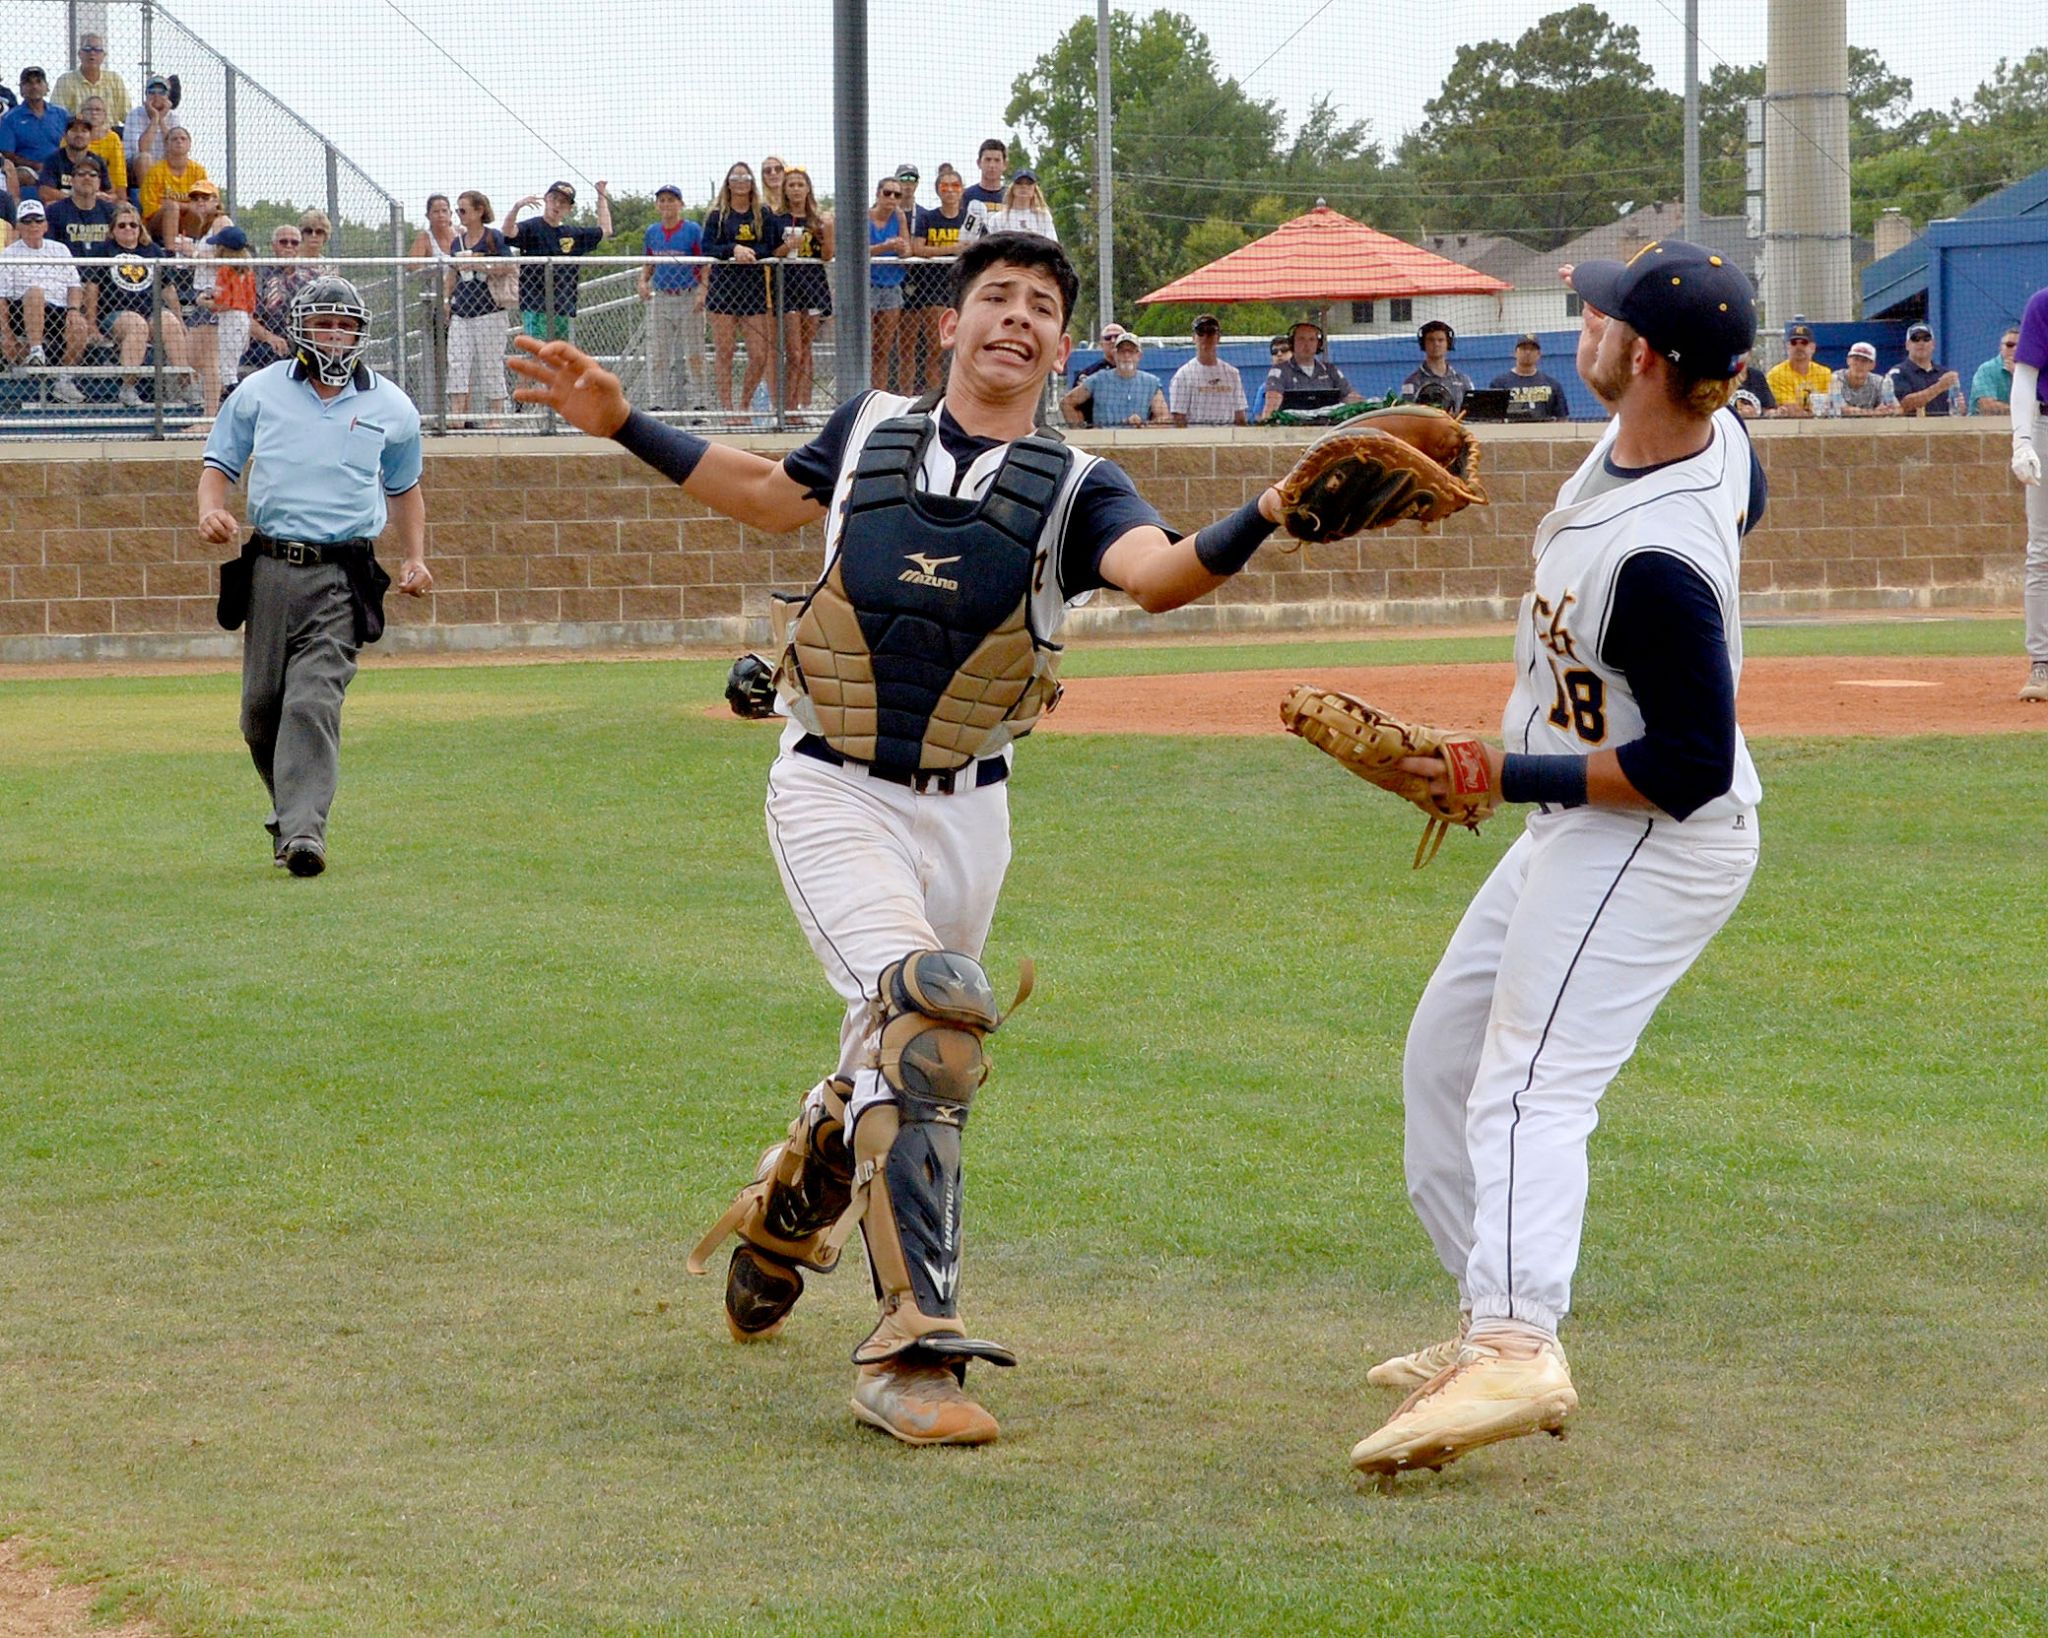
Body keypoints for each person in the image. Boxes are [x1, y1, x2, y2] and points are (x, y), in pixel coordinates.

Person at [507, 231, 1324, 1448]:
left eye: (1041, 306)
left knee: (892, 1059)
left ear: (1060, 343)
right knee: (931, 1025)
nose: (1016, 318)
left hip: (970, 811)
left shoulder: (1077, 482)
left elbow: (1155, 575)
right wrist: (625, 421)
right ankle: (909, 1349)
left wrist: (1269, 508)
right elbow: (758, 495)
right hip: (831, 785)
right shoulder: (870, 427)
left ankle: (796, 1194)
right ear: (948, 324)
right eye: (993, 296)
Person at [1349, 239, 1766, 1486]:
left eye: (1595, 314)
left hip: (1656, 837)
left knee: (1530, 1078)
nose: (1576, 321)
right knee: (1444, 1055)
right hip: (1577, 821)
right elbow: (1746, 486)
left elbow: (1690, 764)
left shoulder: (1656, 565)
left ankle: (1517, 1341)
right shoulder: (1708, 437)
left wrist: (1494, 772)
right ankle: (1491, 1319)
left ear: (1641, 358)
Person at [198, 276, 432, 878]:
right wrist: (211, 510)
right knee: (259, 713)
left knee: (311, 701)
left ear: (360, 332)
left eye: (345, 323)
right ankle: (289, 813)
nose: (334, 333)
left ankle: (305, 833)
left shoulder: (392, 406)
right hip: (271, 570)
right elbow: (218, 465)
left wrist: (413, 557)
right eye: (324, 322)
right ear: (301, 327)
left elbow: (405, 490)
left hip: (342, 575)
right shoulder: (257, 391)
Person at [92, 203, 194, 408]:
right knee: (136, 325)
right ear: (112, 230)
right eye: (122, 226)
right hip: (116, 313)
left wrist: (180, 318)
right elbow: (92, 287)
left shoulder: (152, 250)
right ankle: (128, 387)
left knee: (171, 324)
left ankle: (187, 386)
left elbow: (168, 288)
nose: (128, 229)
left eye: (133, 225)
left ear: (140, 228)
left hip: (150, 310)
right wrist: (91, 322)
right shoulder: (103, 250)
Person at [701, 162, 776, 417]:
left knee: (759, 354)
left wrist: (753, 252)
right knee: (725, 351)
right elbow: (708, 247)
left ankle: (744, 404)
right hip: (723, 288)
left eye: (745, 177)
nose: (741, 181)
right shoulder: (717, 215)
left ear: (751, 182)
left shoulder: (762, 213)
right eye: (736, 177)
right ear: (728, 182)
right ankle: (727, 409)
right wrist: (733, 250)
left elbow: (773, 245)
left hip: (753, 288)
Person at [0, 198, 91, 403]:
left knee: (80, 325)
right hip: (21, 312)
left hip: (58, 310)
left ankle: (64, 380)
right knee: (35, 293)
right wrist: (6, 334)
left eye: (38, 220)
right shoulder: (9, 254)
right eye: (27, 221)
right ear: (18, 226)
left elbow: (74, 286)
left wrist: (74, 310)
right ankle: (36, 350)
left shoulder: (60, 250)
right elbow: (1, 298)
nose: (33, 225)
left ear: (46, 225)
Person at [505, 179, 611, 344]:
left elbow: (605, 230)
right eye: (554, 199)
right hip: (535, 303)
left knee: (558, 355)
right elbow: (508, 232)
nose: (557, 205)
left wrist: (601, 195)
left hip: (562, 303)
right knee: (537, 350)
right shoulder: (532, 227)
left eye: (563, 202)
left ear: (569, 209)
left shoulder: (572, 234)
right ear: (546, 199)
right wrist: (516, 208)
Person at [2008, 286, 2048, 702]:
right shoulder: (2043, 303)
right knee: (2042, 550)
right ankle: (2043, 663)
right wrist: (2021, 440)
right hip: (2046, 426)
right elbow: (2025, 375)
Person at [446, 189, 513, 425]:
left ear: (479, 211)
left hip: (489, 311)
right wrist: (447, 301)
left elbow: (507, 266)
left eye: (463, 210)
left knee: (490, 362)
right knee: (457, 362)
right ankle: (457, 415)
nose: (460, 215)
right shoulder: (457, 242)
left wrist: (479, 263)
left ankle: (496, 415)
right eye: (458, 210)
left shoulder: (494, 237)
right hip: (462, 310)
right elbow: (452, 273)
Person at [636, 182, 704, 413]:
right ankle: (658, 403)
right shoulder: (652, 232)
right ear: (657, 205)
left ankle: (700, 404)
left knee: (694, 353)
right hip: (662, 296)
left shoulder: (692, 229)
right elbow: (649, 262)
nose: (666, 204)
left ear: (680, 204)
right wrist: (643, 281)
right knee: (658, 354)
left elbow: (704, 264)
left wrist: (703, 291)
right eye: (662, 200)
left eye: (671, 200)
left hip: (688, 295)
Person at [770, 165, 830, 412]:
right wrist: (787, 246)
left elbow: (827, 255)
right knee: (793, 352)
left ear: (808, 189)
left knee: (806, 350)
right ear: (785, 189)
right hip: (788, 287)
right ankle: (787, 406)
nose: (796, 189)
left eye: (800, 185)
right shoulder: (776, 218)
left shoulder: (818, 218)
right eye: (791, 185)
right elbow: (772, 252)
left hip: (813, 286)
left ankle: (802, 405)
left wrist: (825, 234)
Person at [901, 163, 957, 391]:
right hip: (927, 287)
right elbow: (917, 248)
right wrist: (954, 248)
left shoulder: (969, 217)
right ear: (938, 190)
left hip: (959, 287)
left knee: (954, 351)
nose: (950, 190)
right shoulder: (928, 218)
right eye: (945, 186)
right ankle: (922, 399)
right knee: (926, 347)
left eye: (955, 185)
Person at [408, 193, 459, 417]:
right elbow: (412, 266)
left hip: (463, 302)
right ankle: (437, 412)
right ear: (428, 215)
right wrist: (435, 266)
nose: (441, 215)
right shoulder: (425, 237)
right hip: (436, 306)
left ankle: (464, 412)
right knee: (439, 358)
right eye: (436, 211)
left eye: (444, 210)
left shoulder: (461, 235)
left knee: (461, 358)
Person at [195, 223, 257, 408]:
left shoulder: (225, 269)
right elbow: (248, 301)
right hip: (244, 318)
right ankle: (232, 402)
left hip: (231, 318)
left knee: (227, 370)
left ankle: (241, 404)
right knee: (230, 366)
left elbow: (222, 304)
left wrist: (203, 302)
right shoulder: (248, 270)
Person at [1259, 321, 1361, 421]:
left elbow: (1349, 396)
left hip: (1328, 429)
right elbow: (1272, 401)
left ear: (1318, 344)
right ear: (1292, 343)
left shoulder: (1331, 370)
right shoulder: (1279, 371)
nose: (1307, 344)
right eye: (1301, 339)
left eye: (1311, 339)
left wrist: (1363, 405)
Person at [1061, 332, 1167, 426]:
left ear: (1139, 355)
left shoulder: (1151, 383)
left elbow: (1164, 418)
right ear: (1115, 354)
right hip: (1104, 440)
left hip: (1137, 441)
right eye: (1122, 351)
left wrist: (1144, 426)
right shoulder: (1098, 379)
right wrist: (1082, 432)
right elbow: (1067, 402)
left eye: (1131, 351)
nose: (1126, 356)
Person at [866, 175, 911, 393]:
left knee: (883, 348)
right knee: (866, 345)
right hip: (868, 286)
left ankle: (879, 395)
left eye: (897, 194)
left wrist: (901, 248)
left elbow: (907, 250)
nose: (892, 198)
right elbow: (857, 250)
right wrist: (884, 247)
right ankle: (862, 393)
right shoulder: (865, 217)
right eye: (887, 193)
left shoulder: (899, 217)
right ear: (877, 194)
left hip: (892, 285)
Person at [1168, 313, 1248, 427]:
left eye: (1211, 332)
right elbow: (1179, 419)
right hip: (1199, 439)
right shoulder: (1183, 375)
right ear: (1193, 337)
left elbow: (1240, 416)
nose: (1206, 337)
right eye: (1201, 332)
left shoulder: (1232, 374)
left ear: (1218, 337)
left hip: (1228, 438)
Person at [1, 69, 71, 195]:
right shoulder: (11, 118)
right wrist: (36, 165)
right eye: (28, 83)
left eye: (39, 82)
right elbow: (7, 154)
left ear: (47, 87)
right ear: (21, 89)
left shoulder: (61, 114)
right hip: (30, 172)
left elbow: (76, 140)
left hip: (62, 169)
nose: (34, 86)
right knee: (20, 175)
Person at [139, 125, 211, 245]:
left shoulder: (198, 171)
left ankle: (194, 246)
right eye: (174, 139)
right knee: (171, 208)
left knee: (195, 212)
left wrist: (179, 205)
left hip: (189, 220)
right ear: (166, 145)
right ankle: (171, 252)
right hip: (158, 224)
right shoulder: (156, 171)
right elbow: (148, 209)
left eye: (183, 139)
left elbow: (202, 204)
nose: (179, 141)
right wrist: (179, 206)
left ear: (189, 145)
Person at [53, 33, 130, 129]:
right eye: (87, 49)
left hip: (110, 137)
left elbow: (127, 115)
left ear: (104, 55)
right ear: (80, 54)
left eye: (97, 50)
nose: (92, 53)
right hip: (78, 135)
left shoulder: (114, 79)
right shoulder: (65, 81)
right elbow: (56, 116)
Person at [121, 77, 182, 195]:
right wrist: (155, 119)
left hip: (165, 164)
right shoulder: (135, 114)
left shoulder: (173, 117)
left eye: (161, 92)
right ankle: (148, 201)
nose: (156, 96)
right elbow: (142, 149)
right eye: (152, 92)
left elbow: (175, 149)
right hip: (136, 166)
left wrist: (161, 120)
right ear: (146, 95)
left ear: (168, 96)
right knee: (145, 158)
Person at [1489, 334, 1571, 420]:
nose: (1528, 352)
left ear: (1539, 354)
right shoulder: (1499, 384)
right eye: (1523, 348)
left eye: (1532, 349)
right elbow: (1493, 419)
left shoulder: (1552, 385)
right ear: (1515, 353)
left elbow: (1562, 418)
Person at [1400, 319, 1473, 414]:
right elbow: (1408, 415)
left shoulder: (1463, 380)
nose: (1436, 344)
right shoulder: (1412, 382)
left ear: (1448, 343)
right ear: (1424, 344)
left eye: (1441, 340)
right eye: (1431, 340)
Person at [1887, 322, 1959, 417]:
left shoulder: (1944, 373)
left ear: (1933, 344)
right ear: (1907, 345)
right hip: (1911, 429)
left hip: (1943, 428)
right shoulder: (1898, 372)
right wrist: (1940, 387)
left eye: (1926, 339)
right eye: (1915, 339)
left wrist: (1960, 406)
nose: (1921, 343)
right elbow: (1904, 405)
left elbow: (1955, 408)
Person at [37, 116, 111, 203]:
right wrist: (77, 199)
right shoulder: (53, 160)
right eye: (74, 130)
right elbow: (45, 192)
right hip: (63, 210)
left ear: (90, 136)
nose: (79, 135)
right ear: (65, 135)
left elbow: (111, 193)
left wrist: (105, 197)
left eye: (84, 131)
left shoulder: (98, 161)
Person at [1763, 320, 1829, 416]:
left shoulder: (1824, 373)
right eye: (1794, 343)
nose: (1799, 347)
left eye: (1804, 342)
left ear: (1813, 347)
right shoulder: (1776, 374)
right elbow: (1790, 409)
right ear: (1788, 347)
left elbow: (1829, 406)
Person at [977, 171, 1056, 241]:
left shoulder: (1043, 217)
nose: (1024, 187)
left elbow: (1053, 245)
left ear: (1034, 189)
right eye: (1019, 183)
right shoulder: (998, 218)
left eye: (1028, 184)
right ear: (1013, 188)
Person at [1829, 341, 1898, 416]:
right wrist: (1874, 412)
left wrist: (1887, 409)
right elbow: (1841, 409)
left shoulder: (1880, 382)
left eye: (1864, 361)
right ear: (1848, 360)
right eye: (1856, 359)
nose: (1859, 364)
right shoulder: (1836, 378)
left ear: (1873, 365)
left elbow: (1897, 409)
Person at [77, 95, 127, 198]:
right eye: (89, 109)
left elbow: (120, 176)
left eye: (98, 110)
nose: (93, 113)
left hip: (107, 194)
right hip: (77, 192)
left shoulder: (113, 139)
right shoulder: (73, 137)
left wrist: (120, 199)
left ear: (105, 115)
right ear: (81, 114)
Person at [961, 138, 1007, 238]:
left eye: (997, 160)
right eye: (988, 159)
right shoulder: (966, 195)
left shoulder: (1011, 196)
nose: (992, 165)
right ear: (978, 163)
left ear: (1005, 165)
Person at [1970, 327, 2019, 417]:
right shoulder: (1987, 370)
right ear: (2001, 348)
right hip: (1985, 427)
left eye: (2021, 346)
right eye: (2010, 345)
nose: (2015, 349)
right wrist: (2021, 412)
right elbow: (1987, 407)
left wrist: (2018, 376)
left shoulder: (2031, 371)